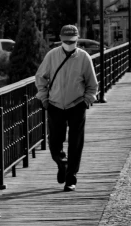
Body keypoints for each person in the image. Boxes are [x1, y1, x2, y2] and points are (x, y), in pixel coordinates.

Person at [35, 25, 98, 191]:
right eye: (66, 41)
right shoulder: (52, 56)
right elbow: (40, 78)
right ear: (61, 39)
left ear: (77, 39)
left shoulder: (84, 57)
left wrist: (87, 100)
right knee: (54, 142)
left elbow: (93, 84)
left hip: (77, 104)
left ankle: (71, 177)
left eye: (72, 41)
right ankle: (62, 164)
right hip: (55, 104)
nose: (69, 43)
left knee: (76, 143)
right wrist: (44, 98)